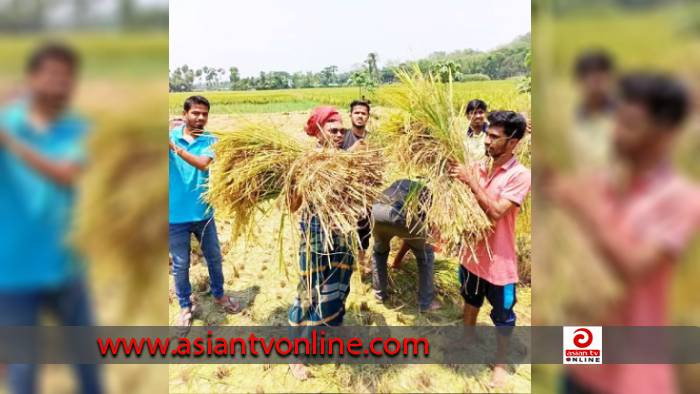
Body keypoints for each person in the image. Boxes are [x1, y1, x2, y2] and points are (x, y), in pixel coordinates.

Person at [550, 73, 700, 394]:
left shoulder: (680, 198)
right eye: (616, 120)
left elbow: (633, 268)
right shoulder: (600, 183)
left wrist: (586, 210)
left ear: (665, 134)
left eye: (630, 124)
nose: (616, 133)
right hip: (581, 359)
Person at [0, 43, 102, 394]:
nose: (61, 84)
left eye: (68, 77)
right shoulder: (7, 120)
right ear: (32, 78)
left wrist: (11, 142)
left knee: (89, 365)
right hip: (13, 272)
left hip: (66, 266)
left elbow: (65, 173)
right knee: (23, 372)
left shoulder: (77, 129)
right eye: (52, 75)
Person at [448, 110, 531, 389]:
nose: (488, 141)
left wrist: (470, 183)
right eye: (487, 135)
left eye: (495, 137)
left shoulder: (520, 176)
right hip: (472, 254)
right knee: (470, 299)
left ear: (513, 142)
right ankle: (467, 338)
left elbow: (496, 212)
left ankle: (500, 363)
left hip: (499, 260)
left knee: (503, 314)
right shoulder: (480, 166)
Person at [287, 106, 353, 380]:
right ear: (319, 130)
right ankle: (296, 355)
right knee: (311, 291)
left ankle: (329, 337)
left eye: (342, 130)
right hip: (315, 236)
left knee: (338, 289)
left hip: (343, 236)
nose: (339, 134)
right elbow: (293, 205)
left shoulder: (350, 161)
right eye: (333, 130)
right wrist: (296, 186)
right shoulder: (305, 162)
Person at [169, 95, 241, 329]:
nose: (200, 118)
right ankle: (184, 306)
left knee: (214, 258)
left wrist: (175, 149)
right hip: (174, 215)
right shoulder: (170, 136)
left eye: (204, 114)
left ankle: (219, 295)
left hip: (204, 212)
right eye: (195, 113)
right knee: (180, 265)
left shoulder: (210, 139)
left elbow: (202, 164)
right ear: (185, 113)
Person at [371, 179, 441, 312]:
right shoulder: (428, 194)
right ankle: (426, 303)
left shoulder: (401, 183)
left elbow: (409, 237)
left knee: (379, 252)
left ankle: (379, 295)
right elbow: (413, 236)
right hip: (397, 214)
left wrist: (397, 261)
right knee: (426, 254)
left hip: (375, 212)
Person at [342, 100, 372, 272]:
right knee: (344, 228)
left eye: (364, 113)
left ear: (368, 117)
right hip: (344, 191)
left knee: (364, 228)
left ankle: (361, 262)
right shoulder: (342, 135)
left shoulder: (372, 139)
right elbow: (333, 160)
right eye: (357, 113)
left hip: (366, 191)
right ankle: (345, 261)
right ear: (350, 115)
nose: (360, 116)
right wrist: (352, 151)